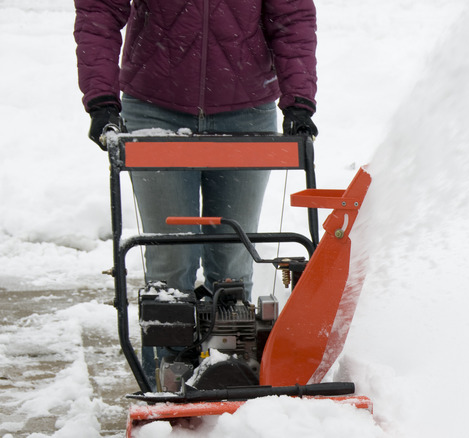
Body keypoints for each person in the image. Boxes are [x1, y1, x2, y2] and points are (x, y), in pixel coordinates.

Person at [74, 0, 318, 384]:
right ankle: (168, 389)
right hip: (156, 108)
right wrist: (101, 98)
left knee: (234, 264)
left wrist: (299, 101)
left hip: (247, 110)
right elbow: (99, 11)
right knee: (170, 266)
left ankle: (229, 381)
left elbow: (292, 17)